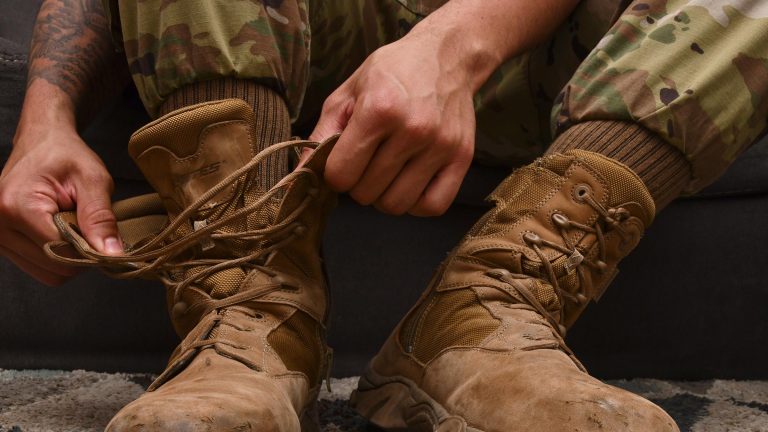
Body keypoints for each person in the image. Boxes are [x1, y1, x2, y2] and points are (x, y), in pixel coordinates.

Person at [1, 0, 765, 430]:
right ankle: (257, 316)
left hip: (550, 47)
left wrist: (453, 44)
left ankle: (482, 313)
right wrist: (47, 113)